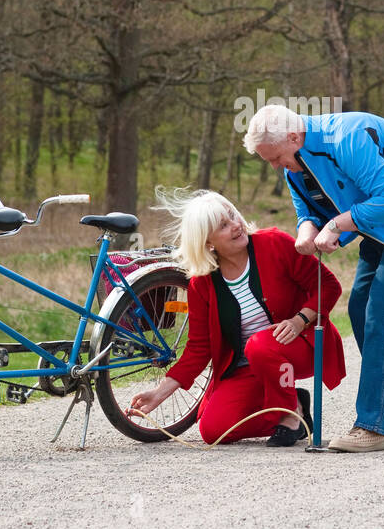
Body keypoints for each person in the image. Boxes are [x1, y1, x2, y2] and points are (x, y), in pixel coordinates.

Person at [245, 104, 384, 452]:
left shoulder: (347, 138)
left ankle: (372, 427)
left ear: (293, 136)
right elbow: (308, 209)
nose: (274, 167)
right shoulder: (295, 160)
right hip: (380, 223)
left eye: (275, 158)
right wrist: (306, 230)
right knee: (361, 309)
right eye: (268, 160)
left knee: (383, 313)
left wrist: (335, 225)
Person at [128, 188, 346, 446]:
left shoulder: (275, 244)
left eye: (232, 216)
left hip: (300, 345)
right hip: (248, 366)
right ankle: (293, 406)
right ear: (208, 242)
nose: (235, 226)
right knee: (213, 430)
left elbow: (329, 286)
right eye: (223, 225)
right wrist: (159, 393)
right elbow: (199, 348)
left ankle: (289, 416)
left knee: (259, 345)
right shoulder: (202, 284)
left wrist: (299, 320)